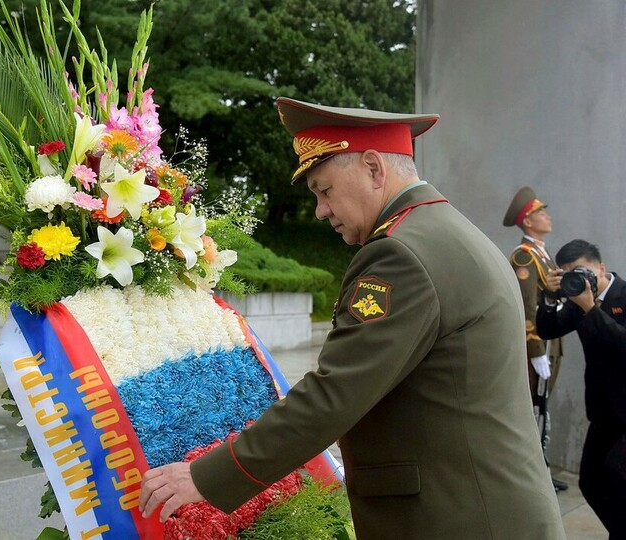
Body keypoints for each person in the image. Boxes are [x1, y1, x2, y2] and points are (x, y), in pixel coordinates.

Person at [139, 98, 565, 538]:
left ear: (374, 168)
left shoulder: (400, 254)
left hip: (461, 517)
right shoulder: (448, 231)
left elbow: (334, 395)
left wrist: (207, 476)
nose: (321, 210)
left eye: (325, 190)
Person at [537, 239, 626, 537]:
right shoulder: (578, 301)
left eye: (580, 271)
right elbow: (548, 329)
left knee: (616, 472)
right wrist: (549, 297)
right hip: (603, 410)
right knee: (589, 481)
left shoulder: (623, 296)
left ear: (600, 267)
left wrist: (591, 309)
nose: (576, 279)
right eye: (567, 274)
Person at [503, 186, 567, 491]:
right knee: (529, 410)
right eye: (541, 213)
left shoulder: (542, 253)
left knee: (541, 408)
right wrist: (536, 349)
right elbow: (527, 307)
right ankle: (528, 475)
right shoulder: (524, 257)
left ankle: (540, 470)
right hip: (536, 347)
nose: (547, 217)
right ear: (527, 221)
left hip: (550, 342)